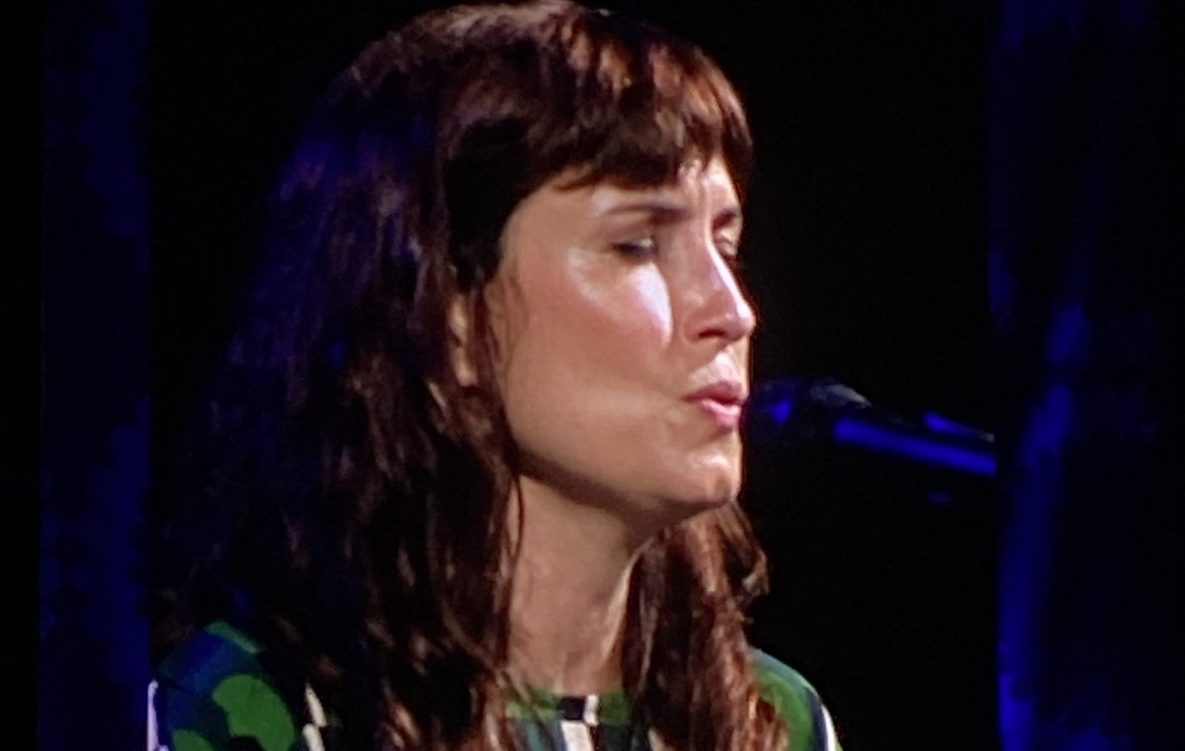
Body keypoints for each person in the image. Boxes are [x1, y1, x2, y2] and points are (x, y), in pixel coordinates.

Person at [149, 2, 840, 749]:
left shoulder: (771, 720)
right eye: (638, 245)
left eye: (726, 248)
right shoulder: (252, 708)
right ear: (449, 313)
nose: (734, 312)